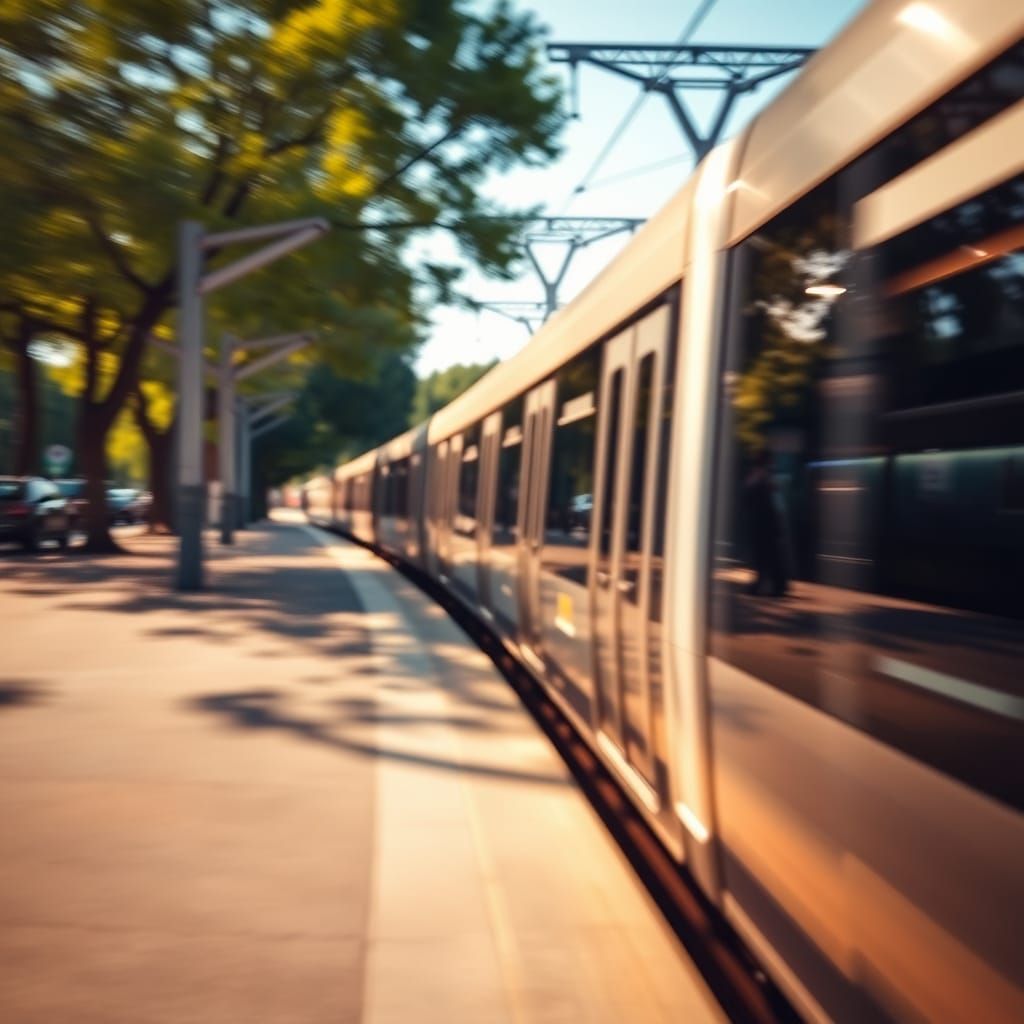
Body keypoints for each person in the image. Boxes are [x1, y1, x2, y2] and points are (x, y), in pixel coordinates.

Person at [744, 448, 788, 597]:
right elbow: (777, 504)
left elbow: (750, 499)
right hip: (767, 525)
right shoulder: (766, 479)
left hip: (761, 525)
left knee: (764, 557)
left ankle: (768, 585)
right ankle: (777, 586)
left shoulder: (757, 478)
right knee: (770, 556)